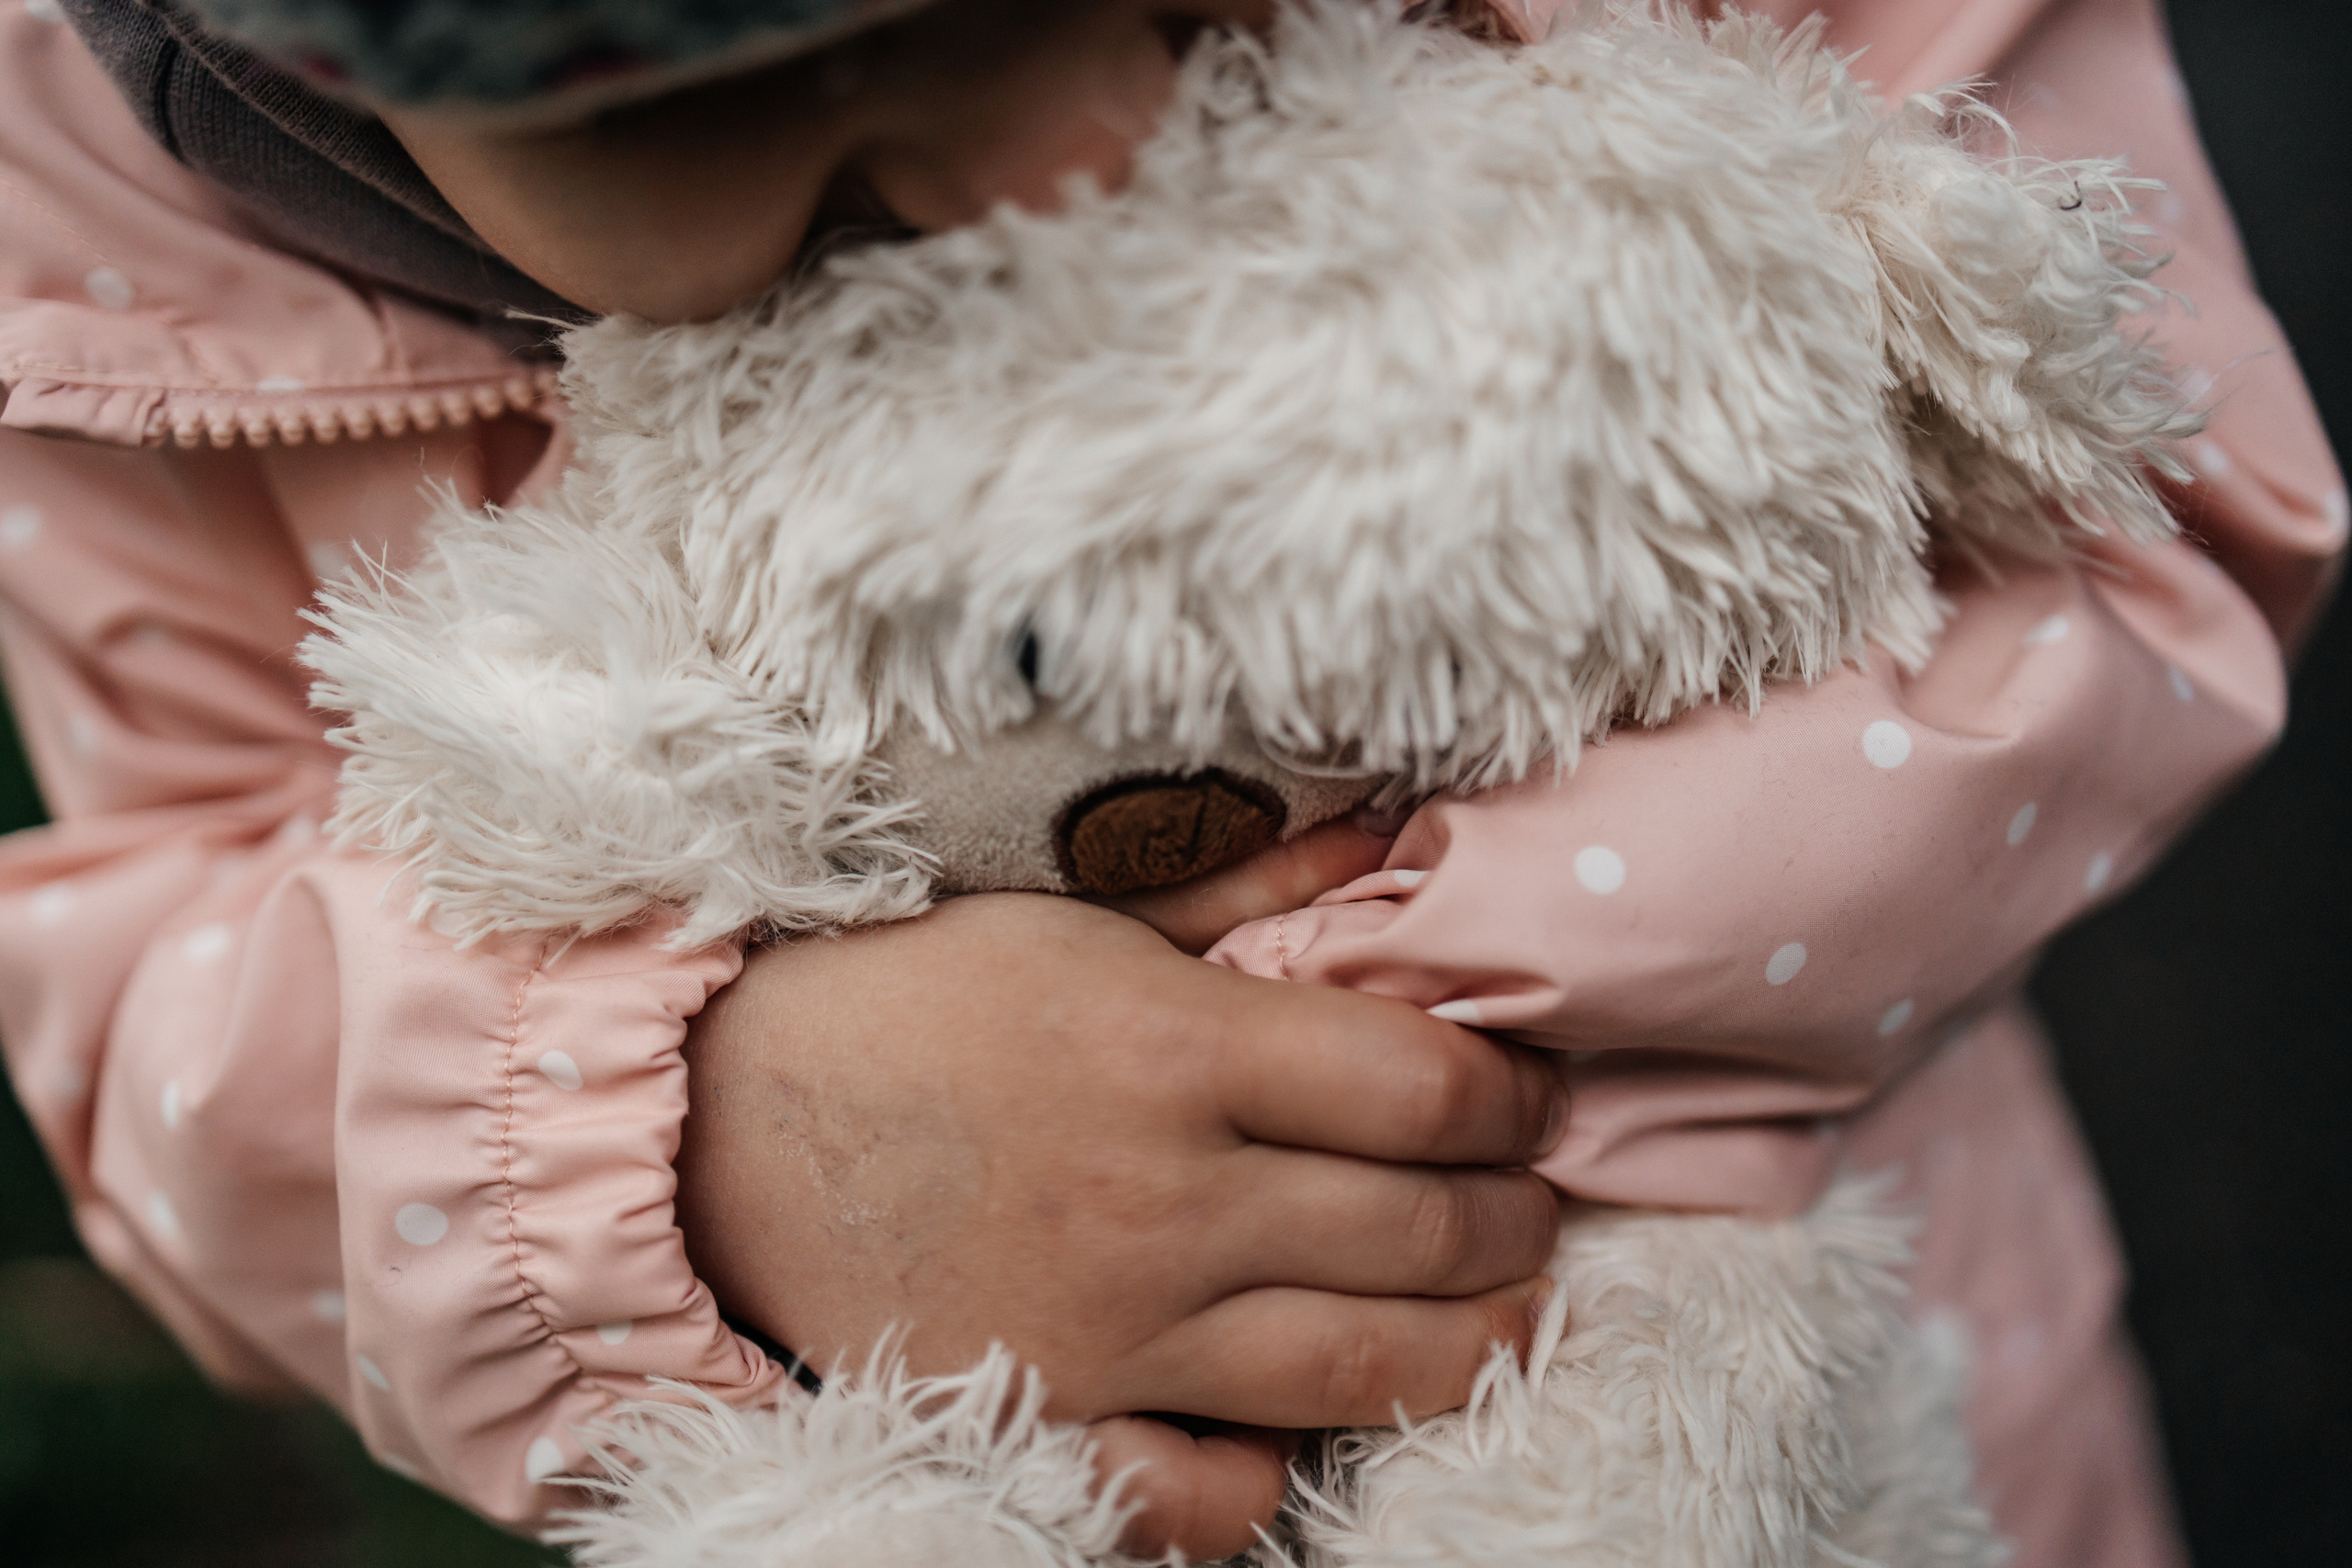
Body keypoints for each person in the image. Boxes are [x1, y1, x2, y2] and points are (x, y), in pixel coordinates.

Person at [0, 0, 2337, 1562]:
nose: (1060, 161)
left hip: (1845, 1406)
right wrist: (694, 1141)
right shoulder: (105, 251)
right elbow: (147, 985)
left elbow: (2141, 489)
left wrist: (1349, 975)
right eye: (724, 86)